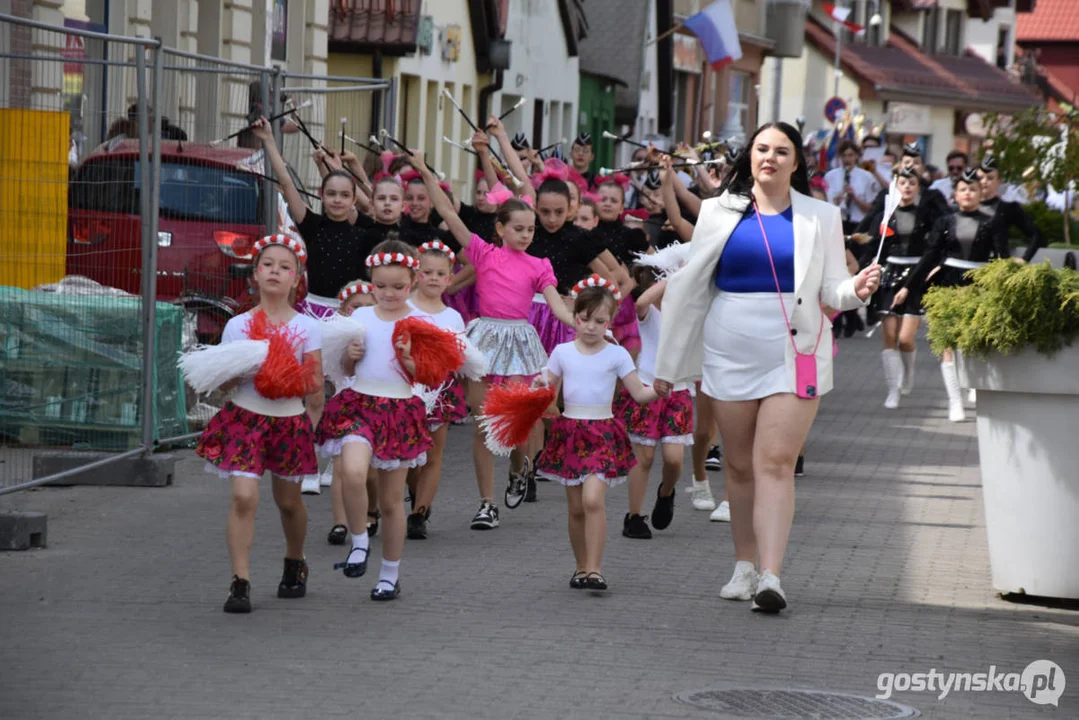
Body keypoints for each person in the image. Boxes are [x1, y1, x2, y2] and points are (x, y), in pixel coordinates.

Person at [653, 122, 881, 614]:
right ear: (750, 157)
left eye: (781, 151)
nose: (770, 158)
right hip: (728, 350)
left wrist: (857, 290)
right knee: (737, 465)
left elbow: (832, 290)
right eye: (762, 149)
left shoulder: (821, 215)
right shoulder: (718, 211)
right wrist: (667, 364)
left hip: (793, 351)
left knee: (774, 463)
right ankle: (743, 566)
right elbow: (690, 288)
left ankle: (771, 576)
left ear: (797, 161)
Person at [409, 151, 576, 530]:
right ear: (500, 228)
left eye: (530, 230)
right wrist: (424, 170)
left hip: (519, 343)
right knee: (485, 424)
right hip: (484, 338)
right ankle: (487, 503)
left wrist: (584, 325)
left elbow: (558, 307)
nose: (526, 235)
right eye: (519, 228)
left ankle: (519, 468)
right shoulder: (483, 254)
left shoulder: (539, 265)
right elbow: (449, 215)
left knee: (514, 424)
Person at [194, 235, 324, 614]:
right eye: (268, 264)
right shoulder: (237, 325)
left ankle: (295, 560)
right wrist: (238, 371)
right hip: (245, 420)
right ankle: (240, 581)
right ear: (254, 273)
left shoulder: (308, 327)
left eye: (285, 267)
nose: (275, 272)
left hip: (288, 421)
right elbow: (223, 383)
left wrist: (307, 415)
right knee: (244, 497)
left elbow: (314, 383)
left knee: (288, 502)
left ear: (297, 279)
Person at [315, 240, 435, 601]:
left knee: (390, 502)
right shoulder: (362, 317)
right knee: (351, 472)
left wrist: (410, 359)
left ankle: (389, 574)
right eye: (381, 286)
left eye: (398, 287)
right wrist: (351, 357)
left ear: (412, 282)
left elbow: (429, 375)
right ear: (371, 281)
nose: (388, 293)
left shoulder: (420, 321)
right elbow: (346, 368)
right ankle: (359, 541)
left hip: (398, 411)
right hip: (360, 404)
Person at [534, 276, 658, 591]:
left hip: (602, 432)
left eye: (599, 320)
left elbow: (639, 394)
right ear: (575, 316)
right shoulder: (562, 351)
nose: (591, 326)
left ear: (610, 320)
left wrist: (660, 387)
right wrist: (538, 384)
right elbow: (547, 383)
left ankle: (596, 568)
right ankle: (580, 567)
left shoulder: (616, 355)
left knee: (592, 500)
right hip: (570, 432)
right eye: (585, 319)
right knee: (575, 507)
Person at [891, 169, 1008, 423]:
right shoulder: (945, 222)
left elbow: (1002, 258)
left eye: (973, 189)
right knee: (947, 343)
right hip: (947, 283)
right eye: (963, 189)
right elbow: (930, 257)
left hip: (979, 283)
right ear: (955, 195)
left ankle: (974, 386)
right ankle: (955, 401)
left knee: (973, 341)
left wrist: (1004, 287)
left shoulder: (993, 221)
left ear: (981, 193)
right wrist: (908, 287)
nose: (968, 193)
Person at [254, 118, 375, 312]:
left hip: (351, 313)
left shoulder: (364, 232)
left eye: (344, 195)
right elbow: (286, 181)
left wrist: (336, 165)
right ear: (321, 195)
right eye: (331, 194)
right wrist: (268, 139)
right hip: (314, 311)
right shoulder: (312, 224)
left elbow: (373, 207)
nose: (337, 200)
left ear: (354, 200)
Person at [618, 267, 695, 539]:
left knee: (674, 460)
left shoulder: (690, 312)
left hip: (679, 390)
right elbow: (640, 301)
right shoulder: (649, 314)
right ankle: (634, 516)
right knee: (645, 456)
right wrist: (671, 277)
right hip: (648, 385)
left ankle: (666, 492)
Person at [404, 241, 468, 539]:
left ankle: (420, 513)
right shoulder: (404, 308)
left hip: (439, 390)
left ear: (449, 278)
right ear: (416, 274)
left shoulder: (452, 318)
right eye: (426, 271)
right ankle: (411, 491)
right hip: (404, 387)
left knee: (433, 452)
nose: (432, 278)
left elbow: (458, 356)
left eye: (439, 273)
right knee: (406, 453)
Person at [867, 166, 946, 408]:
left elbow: (935, 248)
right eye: (903, 183)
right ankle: (893, 389)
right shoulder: (887, 214)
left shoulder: (926, 215)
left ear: (918, 188)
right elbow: (874, 246)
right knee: (889, 336)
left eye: (912, 183)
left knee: (905, 338)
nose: (908, 187)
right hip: (890, 275)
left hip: (916, 274)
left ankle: (908, 371)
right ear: (896, 186)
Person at [323, 280, 376, 548]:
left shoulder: (380, 334)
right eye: (356, 307)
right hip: (346, 406)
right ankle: (340, 522)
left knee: (368, 472)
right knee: (341, 468)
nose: (362, 312)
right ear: (344, 309)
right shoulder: (337, 336)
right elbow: (335, 373)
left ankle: (366, 514)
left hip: (376, 408)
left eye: (369, 306)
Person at [977, 155, 1045, 263]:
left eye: (990, 178)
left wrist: (1024, 259)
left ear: (999, 181)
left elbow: (1036, 235)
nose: (984, 182)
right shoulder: (963, 207)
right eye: (980, 178)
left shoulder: (1007, 207)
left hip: (996, 271)